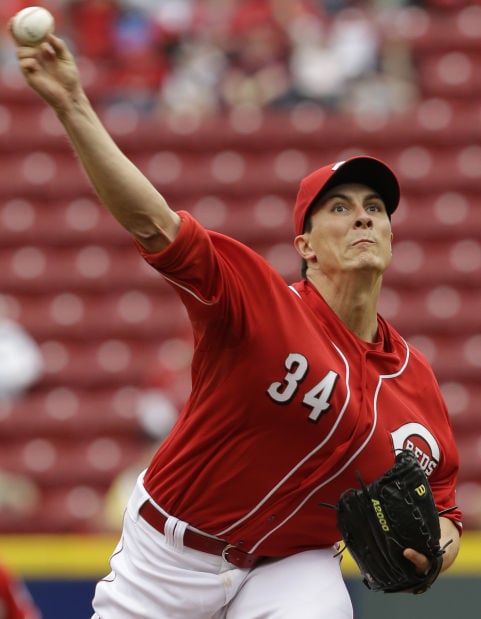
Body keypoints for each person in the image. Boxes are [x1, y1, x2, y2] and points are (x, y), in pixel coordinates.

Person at [11, 32, 462, 619]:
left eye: (376, 209)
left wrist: (436, 551)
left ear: (392, 238)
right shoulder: (259, 302)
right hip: (169, 556)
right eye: (342, 207)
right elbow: (154, 225)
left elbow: (445, 513)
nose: (364, 219)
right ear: (305, 244)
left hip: (289, 562)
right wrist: (72, 103)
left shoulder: (413, 381)